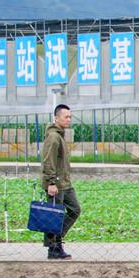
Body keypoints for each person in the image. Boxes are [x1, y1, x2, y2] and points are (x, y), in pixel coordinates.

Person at [40, 103, 80, 260]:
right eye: (66, 117)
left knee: (75, 210)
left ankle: (55, 241)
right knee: (54, 215)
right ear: (56, 118)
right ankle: (54, 248)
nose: (69, 119)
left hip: (65, 183)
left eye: (70, 116)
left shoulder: (60, 135)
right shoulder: (53, 137)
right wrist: (51, 183)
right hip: (56, 184)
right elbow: (48, 161)